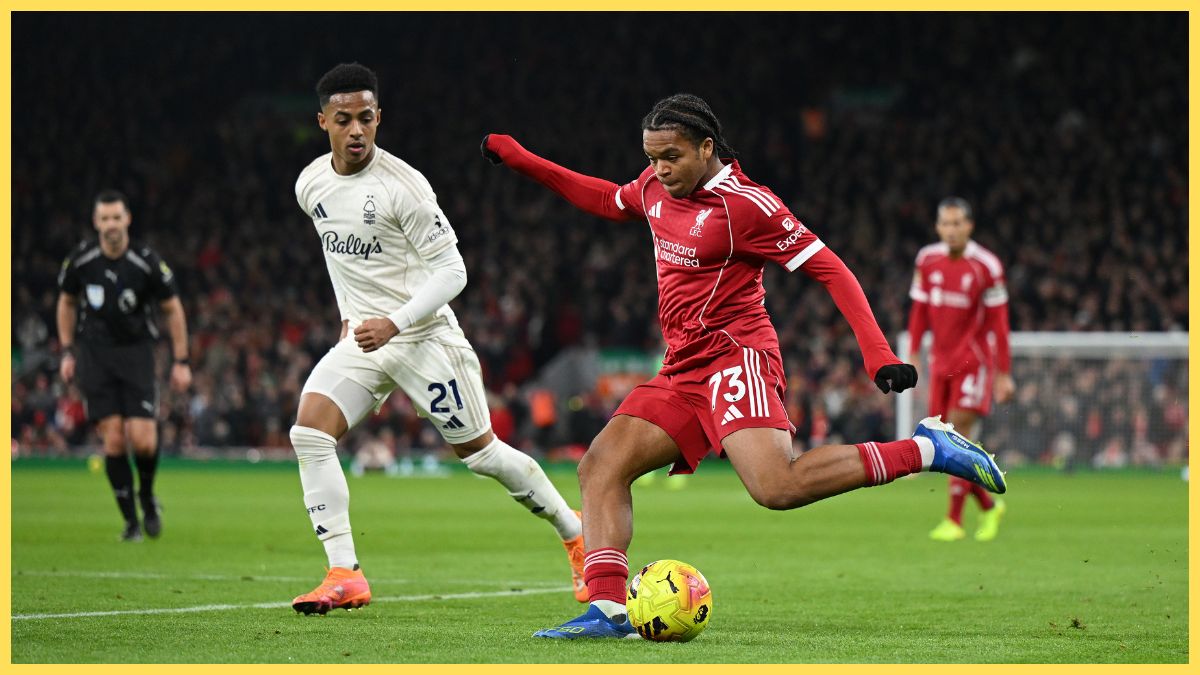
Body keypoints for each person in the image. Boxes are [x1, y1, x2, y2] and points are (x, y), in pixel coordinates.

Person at [481, 93, 1007, 639]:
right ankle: (609, 611)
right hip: (683, 366)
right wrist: (521, 159)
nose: (660, 169)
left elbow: (831, 269)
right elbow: (606, 198)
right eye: (652, 157)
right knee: (601, 465)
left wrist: (878, 352)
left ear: (706, 147)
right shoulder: (655, 187)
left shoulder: (747, 206)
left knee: (776, 487)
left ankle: (927, 449)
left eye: (672, 156)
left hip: (737, 357)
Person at [288, 63, 586, 615]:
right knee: (309, 432)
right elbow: (340, 259)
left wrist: (395, 322)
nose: (356, 130)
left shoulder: (404, 187)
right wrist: (350, 315)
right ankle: (344, 572)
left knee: (482, 454)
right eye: (344, 119)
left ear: (379, 118)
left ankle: (576, 534)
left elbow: (453, 271)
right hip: (365, 338)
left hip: (423, 338)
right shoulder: (311, 185)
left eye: (366, 118)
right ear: (323, 121)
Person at [57, 189, 193, 542]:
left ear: (127, 219)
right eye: (105, 219)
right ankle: (131, 522)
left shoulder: (146, 262)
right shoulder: (82, 260)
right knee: (114, 440)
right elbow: (66, 302)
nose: (111, 225)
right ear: (96, 222)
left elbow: (172, 309)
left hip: (136, 355)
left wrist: (181, 360)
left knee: (143, 441)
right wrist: (67, 351)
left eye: (117, 217)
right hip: (96, 356)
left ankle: (146, 496)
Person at [907, 197, 1013, 542]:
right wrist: (913, 353)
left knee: (959, 432)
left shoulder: (987, 266)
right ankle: (988, 506)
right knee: (943, 443)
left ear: (969, 226)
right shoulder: (927, 260)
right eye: (945, 224)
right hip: (940, 364)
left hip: (973, 363)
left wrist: (1003, 373)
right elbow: (919, 311)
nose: (951, 230)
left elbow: (999, 324)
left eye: (957, 224)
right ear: (938, 227)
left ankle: (954, 520)